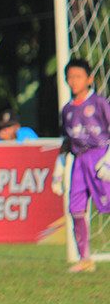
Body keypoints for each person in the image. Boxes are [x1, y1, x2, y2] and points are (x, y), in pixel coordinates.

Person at [54, 58, 110, 273]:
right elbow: (66, 141)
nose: (73, 81)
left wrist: (108, 161)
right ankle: (85, 258)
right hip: (78, 161)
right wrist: (58, 171)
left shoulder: (99, 104)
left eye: (78, 77)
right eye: (70, 77)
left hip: (100, 157)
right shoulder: (67, 109)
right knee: (75, 208)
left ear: (89, 79)